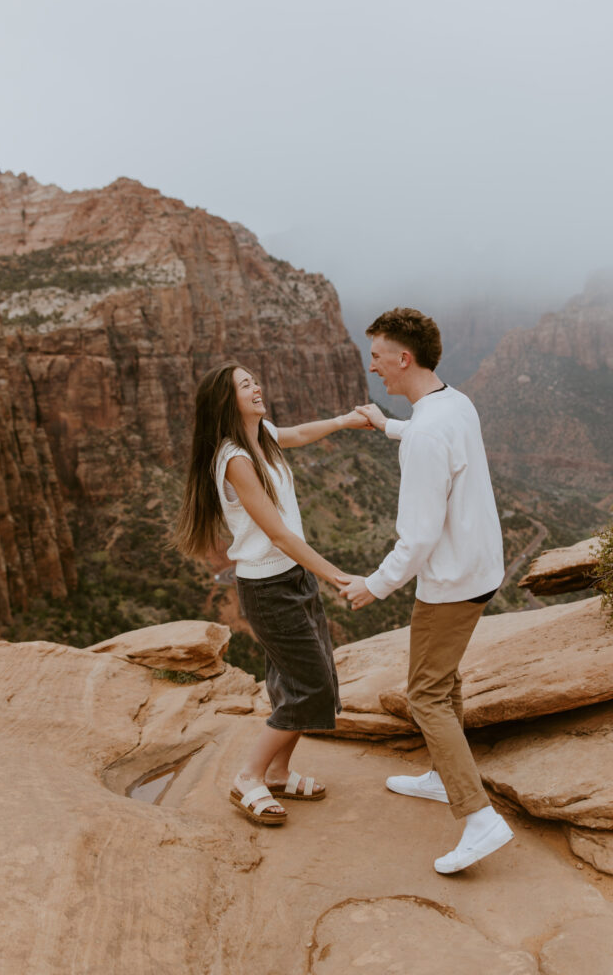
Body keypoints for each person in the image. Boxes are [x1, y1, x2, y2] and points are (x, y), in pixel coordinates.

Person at [341, 307, 514, 873]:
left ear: (403, 358)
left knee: (426, 696)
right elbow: (430, 436)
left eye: (378, 359)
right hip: (481, 567)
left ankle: (479, 818)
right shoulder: (452, 403)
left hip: (450, 581)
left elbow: (415, 538)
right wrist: (384, 423)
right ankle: (443, 777)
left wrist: (375, 585)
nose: (375, 371)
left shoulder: (428, 433)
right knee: (445, 680)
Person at [174, 360, 367, 826]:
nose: (257, 387)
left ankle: (278, 772)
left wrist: (344, 421)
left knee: (301, 681)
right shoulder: (235, 459)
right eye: (246, 385)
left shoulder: (258, 439)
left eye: (255, 380)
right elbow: (278, 535)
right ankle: (248, 776)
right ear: (228, 401)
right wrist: (336, 575)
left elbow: (296, 434)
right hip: (268, 587)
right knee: (310, 685)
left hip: (293, 580)